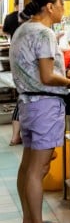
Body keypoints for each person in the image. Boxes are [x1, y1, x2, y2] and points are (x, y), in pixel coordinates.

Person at [11, 0, 70, 223]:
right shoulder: (43, 33)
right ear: (49, 8)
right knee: (37, 168)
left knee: (28, 165)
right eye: (61, 4)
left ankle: (30, 222)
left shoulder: (23, 29)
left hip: (29, 103)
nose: (63, 9)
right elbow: (46, 75)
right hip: (43, 103)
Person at [4, 11, 22, 146]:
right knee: (22, 99)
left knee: (21, 99)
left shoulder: (10, 17)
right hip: (22, 65)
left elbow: (4, 32)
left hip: (14, 55)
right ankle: (16, 136)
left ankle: (16, 136)